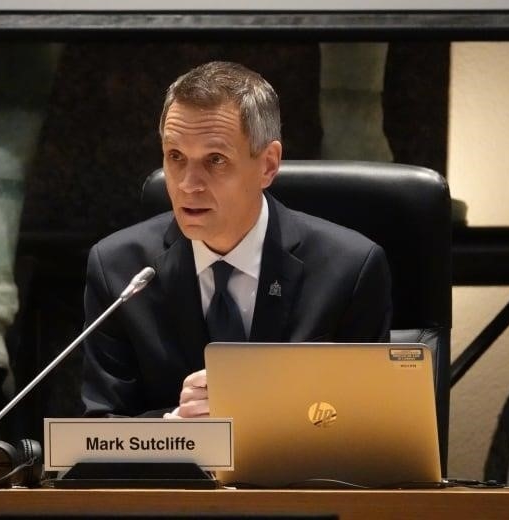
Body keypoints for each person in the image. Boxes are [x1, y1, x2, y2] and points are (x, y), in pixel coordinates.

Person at [80, 61, 391, 420]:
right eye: (175, 157)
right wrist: (177, 432)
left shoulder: (349, 269)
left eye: (215, 160)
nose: (187, 185)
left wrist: (251, 411)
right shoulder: (119, 269)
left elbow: (366, 423)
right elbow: (102, 429)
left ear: (268, 165)